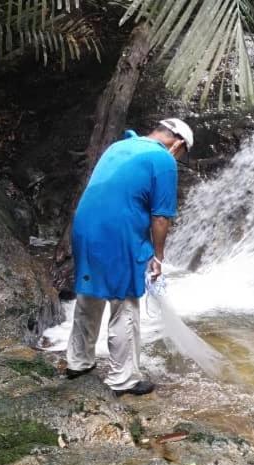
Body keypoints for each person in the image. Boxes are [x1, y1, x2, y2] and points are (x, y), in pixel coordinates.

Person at [64, 118, 194, 396]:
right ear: (179, 143)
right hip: (118, 233)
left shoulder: (119, 146)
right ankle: (123, 379)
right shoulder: (163, 160)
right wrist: (158, 256)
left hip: (84, 227)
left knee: (90, 294)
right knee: (124, 303)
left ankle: (78, 362)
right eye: (183, 154)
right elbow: (160, 217)